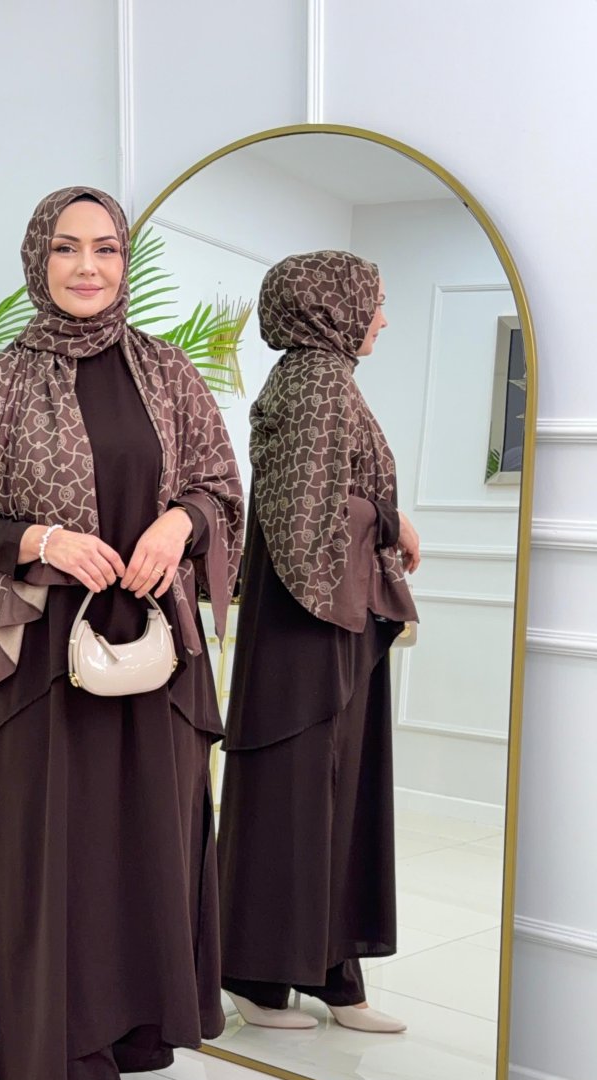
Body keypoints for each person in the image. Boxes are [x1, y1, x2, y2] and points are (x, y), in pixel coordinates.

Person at [0, 186, 243, 1080]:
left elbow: (219, 487)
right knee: (58, 865)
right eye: (67, 248)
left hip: (155, 652)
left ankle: (130, 1031)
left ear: (124, 260)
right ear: (38, 260)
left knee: (146, 849)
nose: (88, 266)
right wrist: (42, 538)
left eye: (106, 248)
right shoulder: (0, 384)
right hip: (44, 661)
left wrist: (179, 525)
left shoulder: (167, 371)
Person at [218, 250, 419, 1036]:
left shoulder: (317, 379)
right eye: (374, 301)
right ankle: (260, 976)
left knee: (332, 794)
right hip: (312, 624)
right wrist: (391, 523)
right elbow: (307, 521)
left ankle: (333, 972)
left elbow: (317, 502)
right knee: (299, 794)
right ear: (331, 306)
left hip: (324, 618)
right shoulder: (318, 383)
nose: (382, 319)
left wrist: (385, 521)